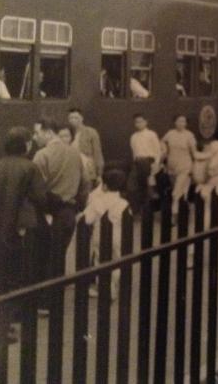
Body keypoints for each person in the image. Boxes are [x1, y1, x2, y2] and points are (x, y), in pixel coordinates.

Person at [0, 127, 48, 337]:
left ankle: (0, 323)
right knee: (21, 272)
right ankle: (15, 317)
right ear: (25, 145)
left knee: (0, 273)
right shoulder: (30, 167)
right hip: (21, 229)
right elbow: (40, 198)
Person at [32, 118, 89, 286]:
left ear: (49, 132)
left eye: (37, 133)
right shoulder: (75, 153)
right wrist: (79, 205)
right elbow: (85, 183)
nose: (35, 137)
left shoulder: (41, 155)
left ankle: (45, 301)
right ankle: (56, 296)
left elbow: (36, 188)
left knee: (44, 255)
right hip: (69, 211)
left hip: (48, 213)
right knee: (59, 254)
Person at [81, 168, 129, 299]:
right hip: (118, 237)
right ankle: (113, 285)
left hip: (100, 237)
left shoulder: (97, 201)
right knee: (117, 260)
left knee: (99, 262)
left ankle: (104, 287)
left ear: (105, 186)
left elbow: (87, 219)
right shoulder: (124, 203)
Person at [162, 114, 197, 214]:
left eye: (183, 121)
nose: (181, 123)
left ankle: (174, 216)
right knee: (182, 191)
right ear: (175, 122)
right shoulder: (170, 133)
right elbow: (162, 142)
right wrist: (164, 149)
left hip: (185, 165)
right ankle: (183, 211)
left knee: (176, 193)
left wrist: (194, 167)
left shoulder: (189, 135)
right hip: (172, 166)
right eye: (179, 121)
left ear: (186, 123)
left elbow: (194, 152)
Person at [128, 113, 162, 213]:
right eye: (136, 122)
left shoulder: (152, 134)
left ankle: (148, 212)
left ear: (146, 122)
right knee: (132, 186)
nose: (139, 124)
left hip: (148, 162)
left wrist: (155, 164)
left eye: (141, 121)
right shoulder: (133, 136)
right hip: (137, 163)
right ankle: (136, 210)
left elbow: (157, 151)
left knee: (148, 187)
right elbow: (134, 152)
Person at [68, 108, 105, 187]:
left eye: (76, 117)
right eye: (71, 118)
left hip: (87, 169)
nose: (73, 120)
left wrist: (99, 174)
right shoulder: (67, 133)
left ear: (82, 118)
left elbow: (97, 153)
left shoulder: (91, 132)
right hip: (72, 170)